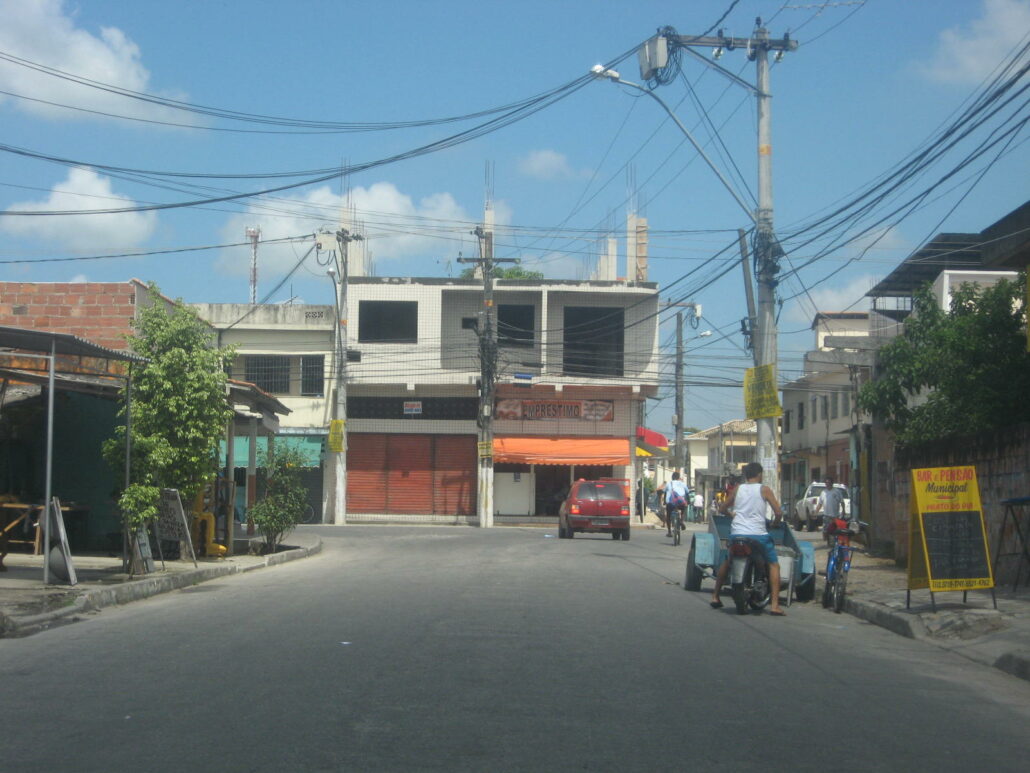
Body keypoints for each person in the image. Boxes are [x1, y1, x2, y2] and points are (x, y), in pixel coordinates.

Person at [709, 462, 786, 616]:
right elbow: (778, 512)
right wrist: (775, 524)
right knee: (773, 565)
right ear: (759, 474)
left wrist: (731, 515)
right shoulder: (764, 489)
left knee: (728, 560)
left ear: (746, 475)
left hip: (737, 534)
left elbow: (722, 508)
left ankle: (715, 596)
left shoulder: (738, 489)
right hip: (759, 535)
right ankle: (775, 605)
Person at [664, 472, 689, 538]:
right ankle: (681, 521)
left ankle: (669, 532)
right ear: (678, 478)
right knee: (683, 509)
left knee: (668, 516)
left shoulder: (669, 483)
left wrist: (664, 502)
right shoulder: (683, 484)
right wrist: (687, 502)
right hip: (680, 503)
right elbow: (687, 493)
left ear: (672, 477)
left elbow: (665, 493)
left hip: (671, 503)